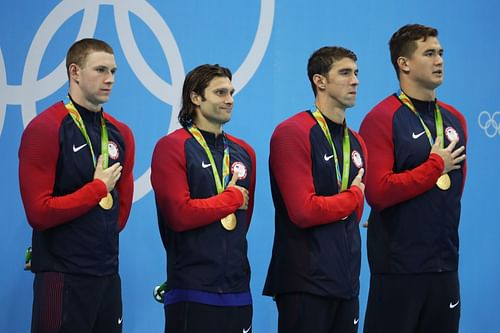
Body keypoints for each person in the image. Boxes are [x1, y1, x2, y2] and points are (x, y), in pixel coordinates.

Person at [18, 38, 135, 333]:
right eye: (100, 70)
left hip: (108, 276)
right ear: (75, 72)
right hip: (62, 276)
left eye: (113, 71)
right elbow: (39, 213)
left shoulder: (122, 134)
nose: (109, 79)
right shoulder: (45, 128)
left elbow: (119, 213)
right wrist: (96, 190)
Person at [359, 24, 467, 333]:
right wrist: (434, 167)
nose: (439, 61)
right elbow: (378, 192)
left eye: (441, 53)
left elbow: (454, 190)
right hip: (399, 269)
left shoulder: (455, 119)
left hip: (445, 266)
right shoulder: (382, 118)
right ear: (404, 63)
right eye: (429, 53)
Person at [263, 46, 367, 333]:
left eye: (356, 73)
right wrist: (353, 196)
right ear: (319, 81)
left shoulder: (356, 142)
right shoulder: (292, 133)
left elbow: (353, 217)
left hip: (347, 284)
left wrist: (348, 203)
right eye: (345, 73)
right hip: (305, 283)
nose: (355, 80)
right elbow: (303, 211)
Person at [151, 64, 256, 333]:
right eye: (220, 92)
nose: (230, 99)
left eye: (231, 92)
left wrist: (228, 205)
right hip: (192, 290)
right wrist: (230, 199)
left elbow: (243, 221)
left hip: (238, 291)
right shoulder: (172, 147)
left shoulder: (245, 152)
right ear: (195, 98)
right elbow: (179, 214)